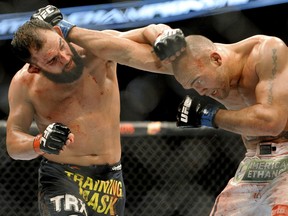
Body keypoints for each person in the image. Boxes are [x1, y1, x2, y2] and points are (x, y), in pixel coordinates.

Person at [6, 5, 185, 216]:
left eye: (62, 46)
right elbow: (13, 142)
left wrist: (165, 35)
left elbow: (149, 31)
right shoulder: (25, 84)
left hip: (111, 180)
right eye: (52, 60)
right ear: (34, 67)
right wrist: (38, 143)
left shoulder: (96, 48)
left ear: (58, 33)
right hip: (62, 176)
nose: (65, 57)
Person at [153, 34, 288, 215]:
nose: (200, 92)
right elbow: (126, 51)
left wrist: (209, 116)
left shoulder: (267, 51)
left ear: (216, 59)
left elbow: (271, 122)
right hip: (256, 162)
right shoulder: (197, 67)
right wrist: (158, 34)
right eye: (193, 86)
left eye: (198, 81)